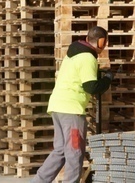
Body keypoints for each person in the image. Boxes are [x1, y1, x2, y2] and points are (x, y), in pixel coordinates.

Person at [31, 26, 113, 183]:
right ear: (102, 42)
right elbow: (91, 87)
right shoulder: (88, 57)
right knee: (74, 152)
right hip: (71, 111)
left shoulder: (74, 53)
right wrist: (107, 79)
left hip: (57, 107)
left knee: (60, 150)